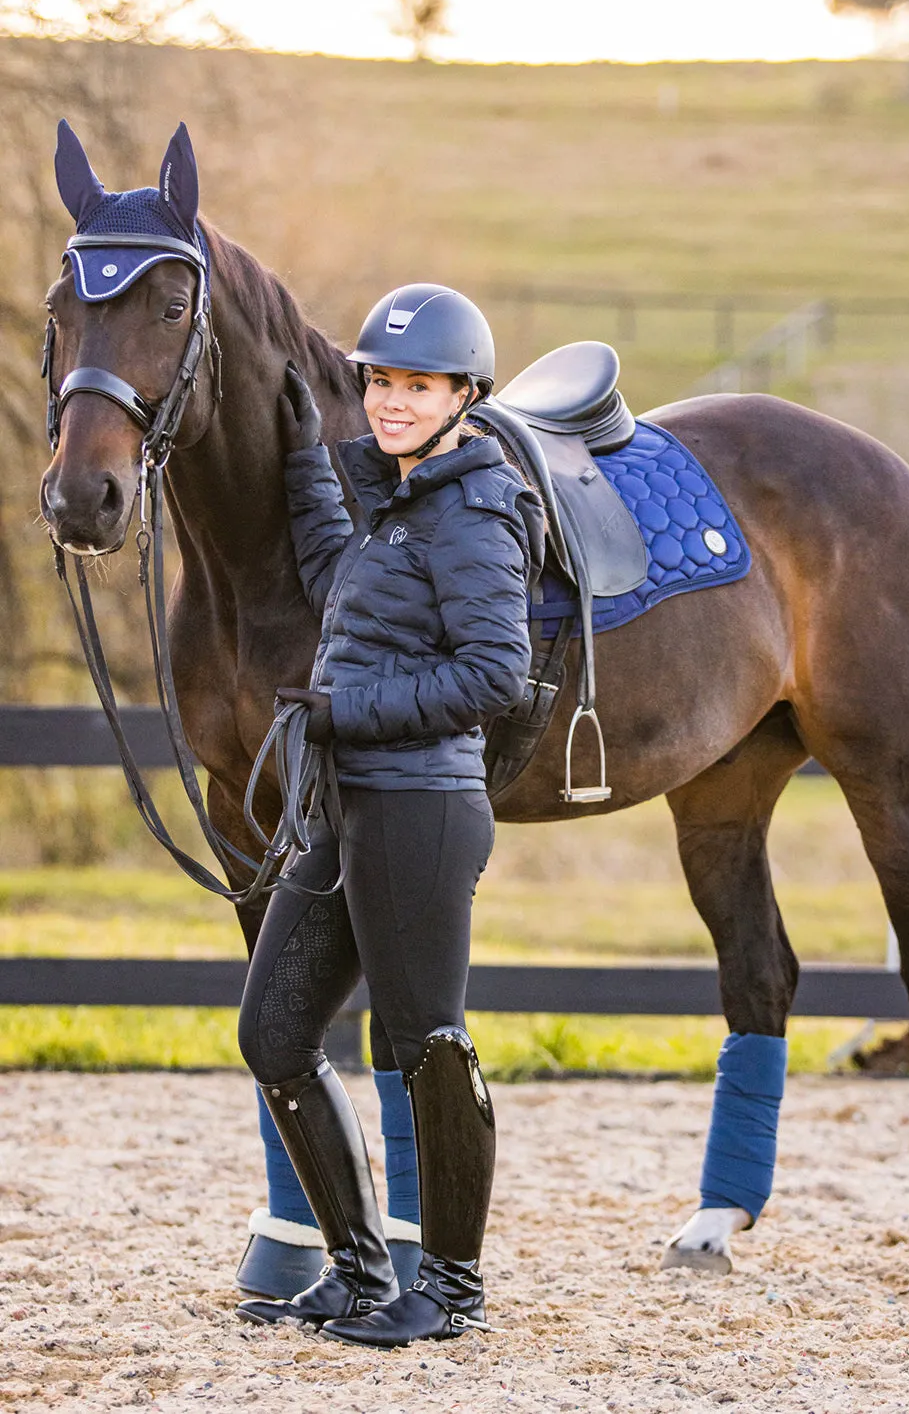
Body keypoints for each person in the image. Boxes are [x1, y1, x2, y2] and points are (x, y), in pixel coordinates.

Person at [236, 283, 544, 1347]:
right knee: (273, 1030)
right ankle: (362, 1269)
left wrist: (346, 709)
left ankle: (450, 1288)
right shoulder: (394, 500)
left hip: (421, 808)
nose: (392, 401)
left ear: (464, 394)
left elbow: (498, 672)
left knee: (426, 1045)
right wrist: (298, 464)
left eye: (416, 385)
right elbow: (340, 582)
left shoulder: (473, 508)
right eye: (380, 382)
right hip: (344, 804)